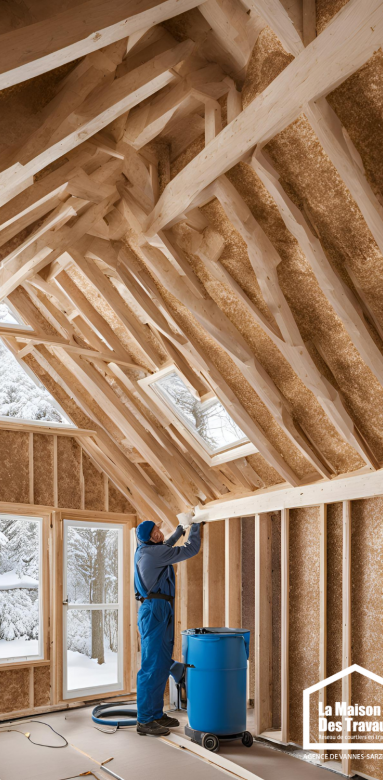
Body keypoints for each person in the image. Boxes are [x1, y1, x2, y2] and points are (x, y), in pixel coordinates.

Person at [134, 516, 201, 736]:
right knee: (151, 666)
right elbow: (191, 549)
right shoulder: (154, 553)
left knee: (161, 662)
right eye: (154, 532)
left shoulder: (148, 549)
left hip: (160, 608)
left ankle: (155, 714)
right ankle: (144, 720)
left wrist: (181, 529)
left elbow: (166, 545)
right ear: (147, 538)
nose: (159, 534)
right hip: (154, 610)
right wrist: (196, 526)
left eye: (158, 530)